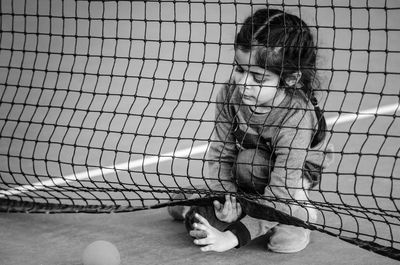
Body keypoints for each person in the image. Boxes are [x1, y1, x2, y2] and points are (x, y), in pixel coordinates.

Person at [168, 7, 334, 253]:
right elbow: (221, 154)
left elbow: (282, 187)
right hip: (250, 162)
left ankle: (298, 214)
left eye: (258, 78)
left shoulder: (295, 116)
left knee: (252, 165)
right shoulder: (229, 95)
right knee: (201, 227)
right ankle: (204, 206)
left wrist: (232, 238)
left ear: (290, 79)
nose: (243, 83)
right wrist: (227, 201)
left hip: (294, 175)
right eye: (240, 69)